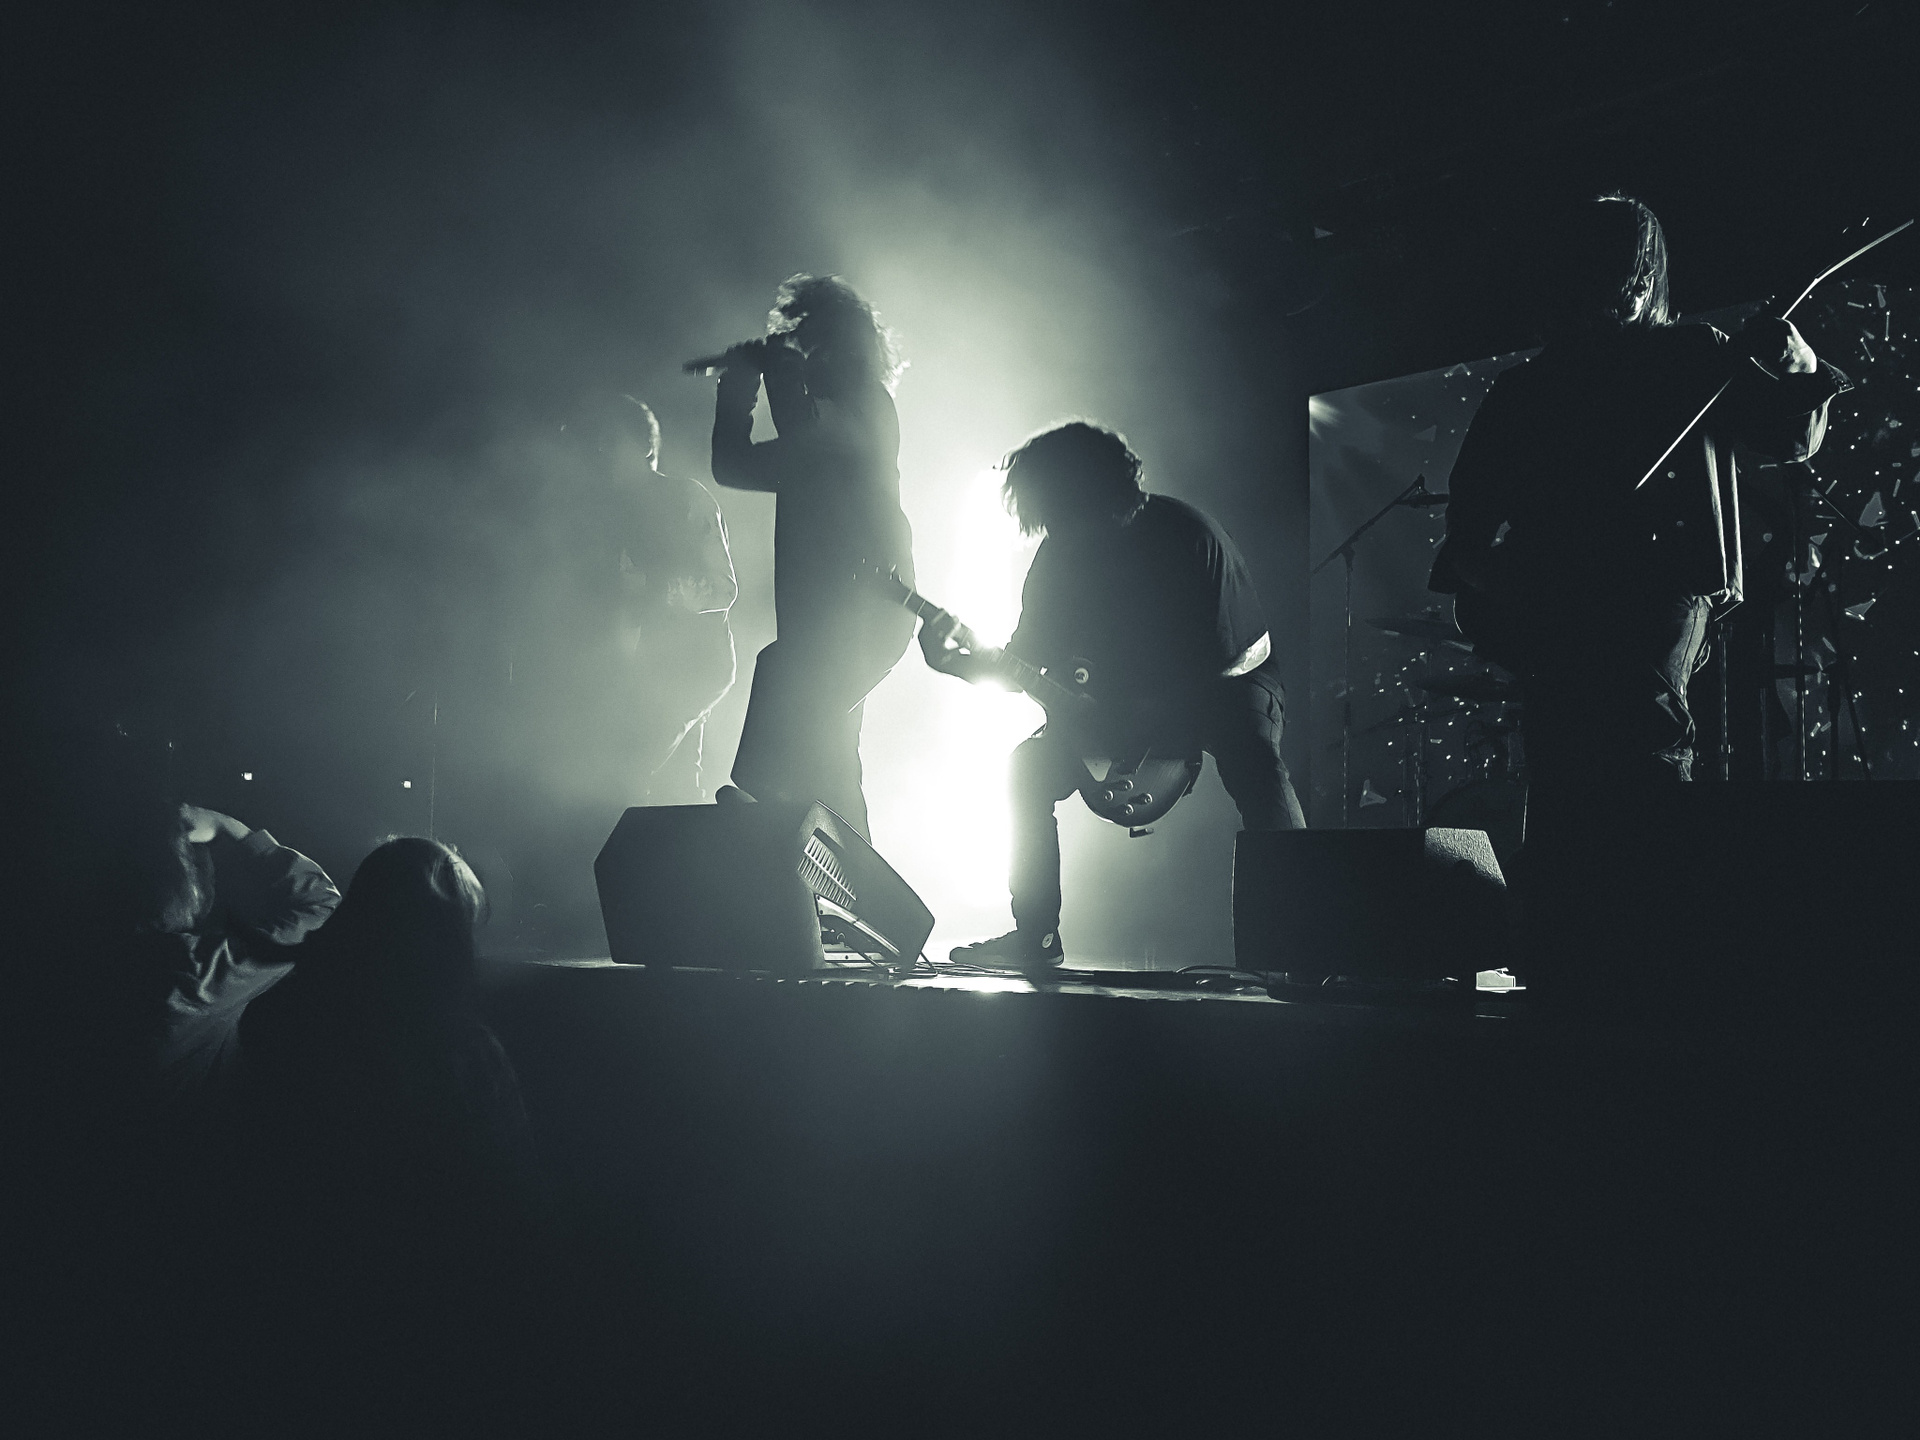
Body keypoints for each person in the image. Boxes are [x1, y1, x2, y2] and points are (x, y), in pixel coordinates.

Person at [1429, 194, 1844, 789]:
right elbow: (1470, 521)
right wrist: (1512, 589)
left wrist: (1799, 363)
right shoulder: (1533, 388)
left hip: (1653, 591)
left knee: (1630, 746)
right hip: (1571, 599)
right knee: (1590, 757)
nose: (1630, 286)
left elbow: (1788, 437)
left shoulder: (1687, 355)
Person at [921, 420, 1305, 968]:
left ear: (1105, 495)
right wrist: (957, 665)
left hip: (1230, 681)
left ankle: (1295, 946)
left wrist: (1139, 724)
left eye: (1067, 513)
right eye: (1052, 519)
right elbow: (1024, 664)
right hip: (1122, 705)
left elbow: (1214, 665)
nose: (1060, 532)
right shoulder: (1057, 559)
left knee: (1256, 764)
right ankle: (1036, 939)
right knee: (1027, 770)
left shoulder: (1189, 537)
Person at [708, 274, 916, 836]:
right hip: (824, 619)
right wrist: (737, 388)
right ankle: (843, 874)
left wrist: (776, 366)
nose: (804, 355)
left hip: (870, 607)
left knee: (793, 693)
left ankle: (763, 803)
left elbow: (803, 425)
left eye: (809, 343)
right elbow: (732, 465)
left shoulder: (867, 409)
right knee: (830, 756)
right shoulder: (814, 447)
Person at [110, 798, 340, 1116]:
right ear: (191, 888)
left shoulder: (75, 961)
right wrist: (231, 829)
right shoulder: (193, 973)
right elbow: (321, 907)